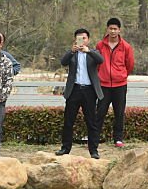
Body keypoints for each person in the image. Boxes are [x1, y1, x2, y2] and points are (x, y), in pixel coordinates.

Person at [58, 28, 104, 159]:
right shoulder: (72, 53)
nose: (82, 41)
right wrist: (72, 51)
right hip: (74, 89)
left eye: (84, 38)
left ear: (88, 40)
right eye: (79, 38)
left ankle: (93, 150)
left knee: (91, 122)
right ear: (75, 39)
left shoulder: (93, 52)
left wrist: (88, 51)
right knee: (68, 121)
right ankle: (65, 148)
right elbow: (63, 62)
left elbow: (101, 60)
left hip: (89, 90)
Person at [94, 18, 135, 148]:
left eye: (115, 29)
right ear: (107, 29)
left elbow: (130, 64)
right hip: (104, 84)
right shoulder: (100, 45)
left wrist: (121, 75)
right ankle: (95, 137)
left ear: (119, 30)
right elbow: (96, 63)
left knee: (119, 112)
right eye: (110, 28)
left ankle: (118, 138)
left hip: (120, 85)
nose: (113, 31)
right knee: (100, 112)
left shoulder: (126, 46)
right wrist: (101, 74)